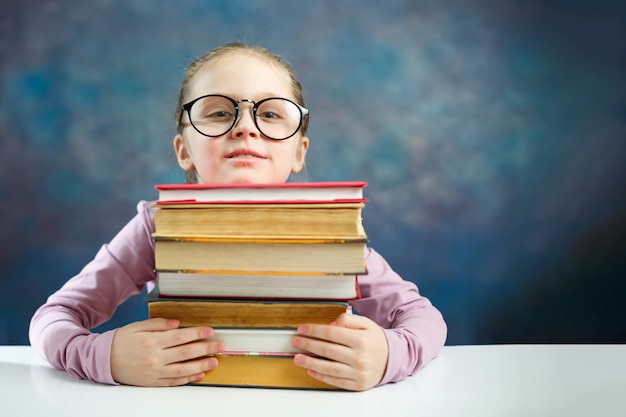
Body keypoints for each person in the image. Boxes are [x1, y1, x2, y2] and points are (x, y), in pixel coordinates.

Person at [29, 42, 447, 391]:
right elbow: (51, 320)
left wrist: (390, 354)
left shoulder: (329, 232)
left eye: (269, 114)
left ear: (299, 152)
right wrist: (105, 357)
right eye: (218, 112)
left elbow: (425, 319)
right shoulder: (156, 226)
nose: (245, 127)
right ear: (183, 150)